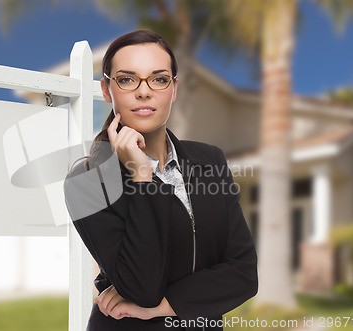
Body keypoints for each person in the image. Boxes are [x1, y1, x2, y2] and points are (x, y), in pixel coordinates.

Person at [63, 30, 258, 331]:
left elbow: (244, 273)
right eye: (127, 79)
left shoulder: (210, 161)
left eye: (159, 78)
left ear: (174, 88)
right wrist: (143, 176)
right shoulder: (87, 182)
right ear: (106, 89)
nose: (144, 92)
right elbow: (141, 288)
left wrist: (165, 307)